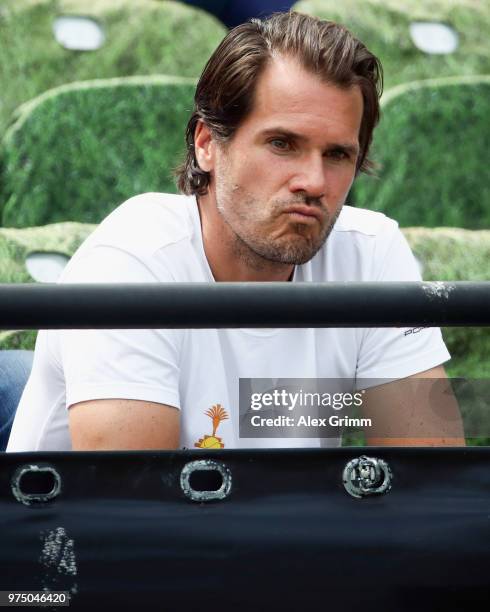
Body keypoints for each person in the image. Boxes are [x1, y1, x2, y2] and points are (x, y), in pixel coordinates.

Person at [7, 11, 465, 452]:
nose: (314, 182)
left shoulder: (374, 251)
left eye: (338, 155)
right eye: (282, 144)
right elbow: (135, 515)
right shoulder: (129, 262)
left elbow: (431, 480)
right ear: (207, 144)